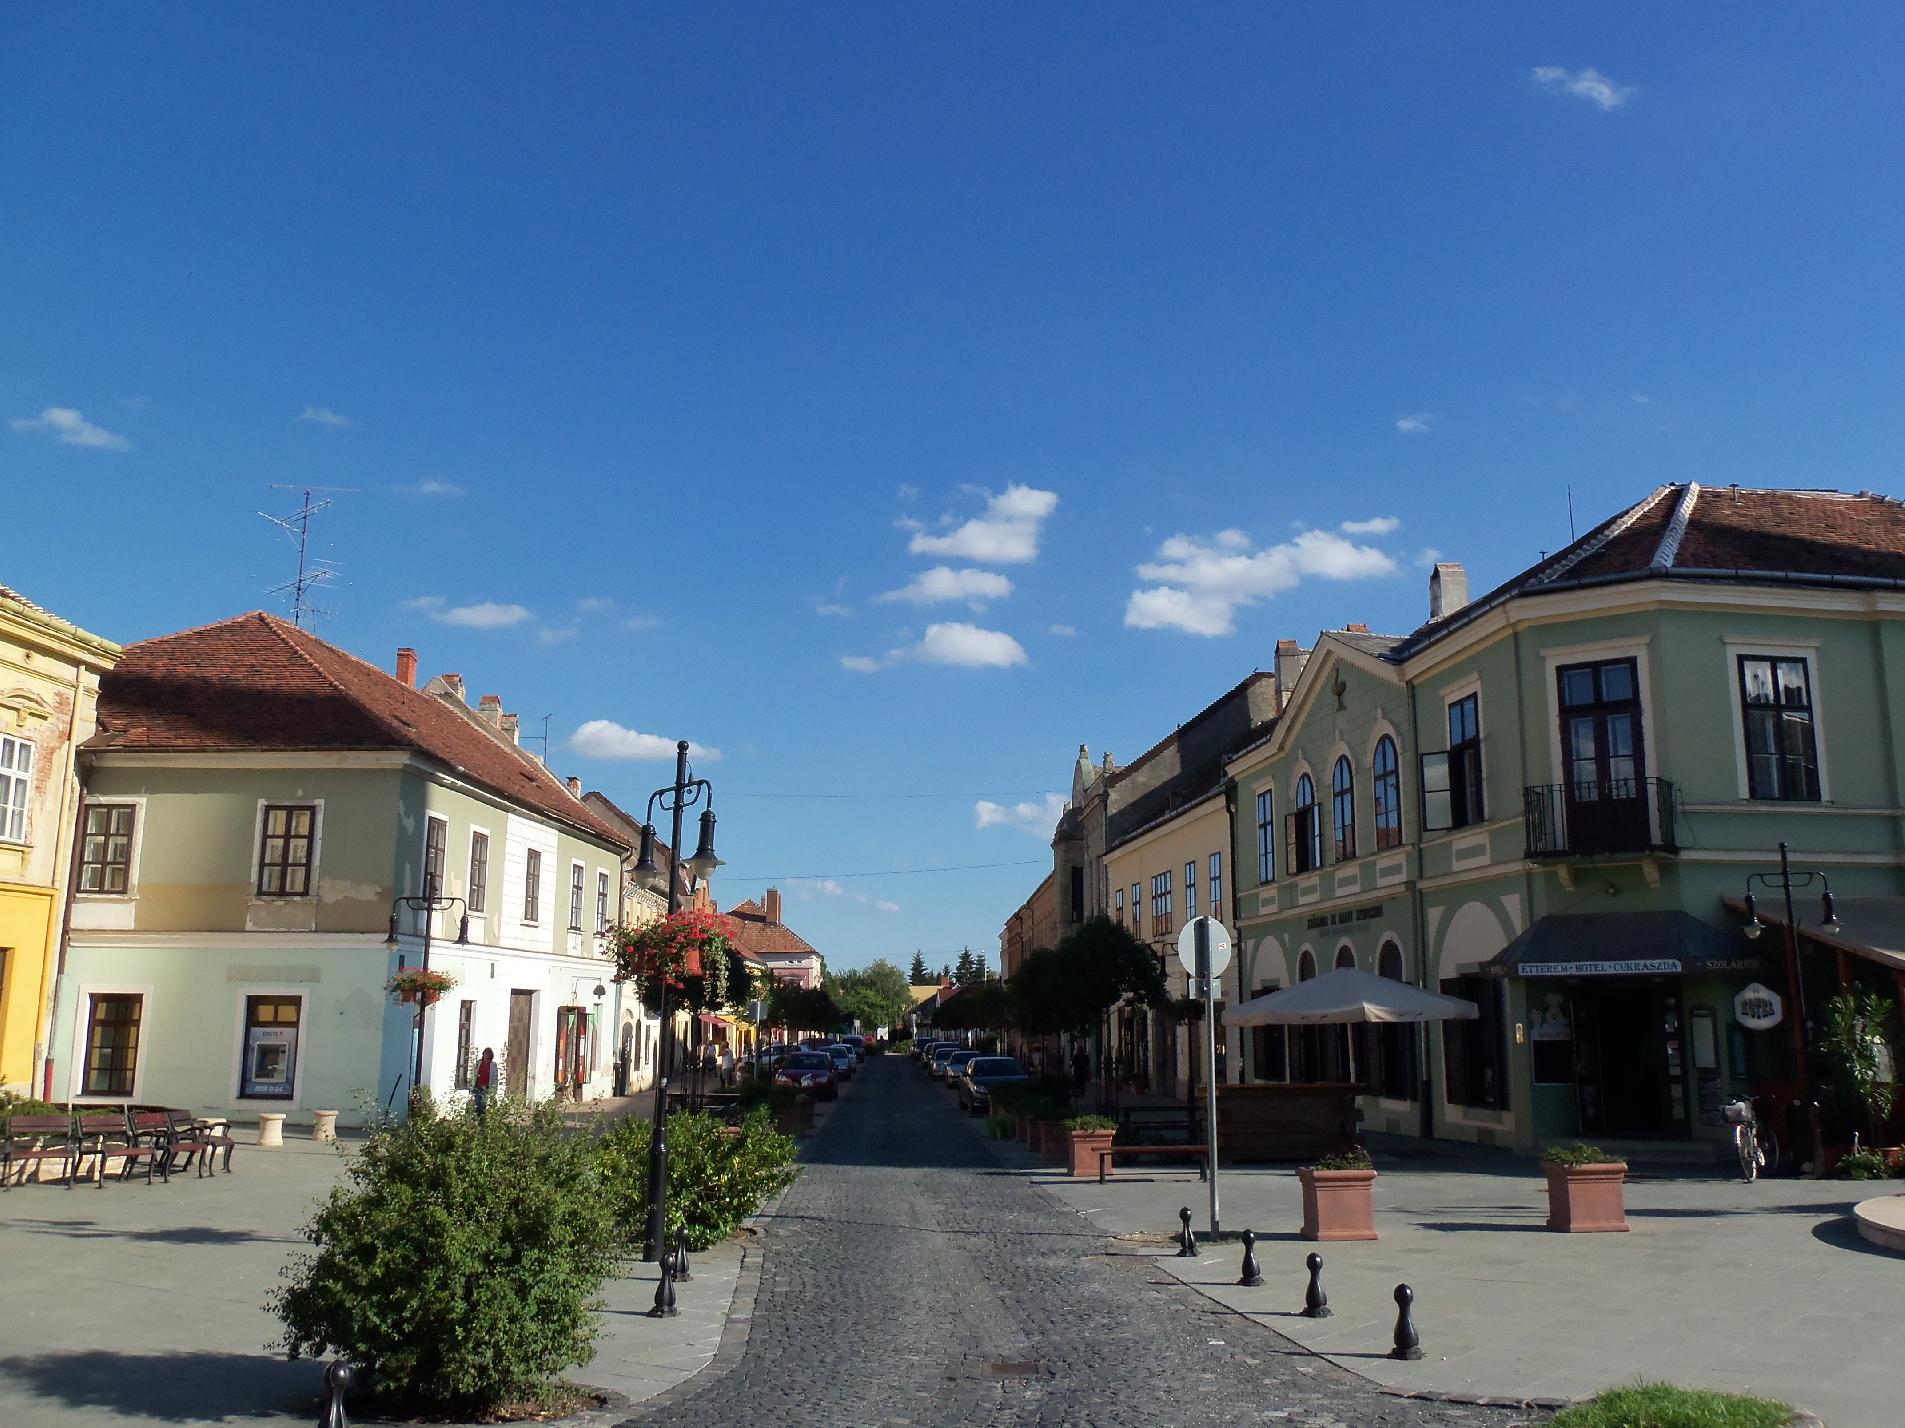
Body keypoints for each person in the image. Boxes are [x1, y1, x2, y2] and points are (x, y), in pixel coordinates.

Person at [473, 1047, 495, 1119]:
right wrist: (472, 1084)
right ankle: (477, 1119)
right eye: (485, 1054)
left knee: (483, 1104)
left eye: (488, 1054)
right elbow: (474, 1074)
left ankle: (482, 1120)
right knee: (477, 1103)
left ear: (491, 1056)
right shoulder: (479, 1063)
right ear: (483, 1054)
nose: (486, 1056)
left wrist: (494, 1090)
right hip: (478, 1086)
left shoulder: (493, 1065)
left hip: (486, 1087)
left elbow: (495, 1078)